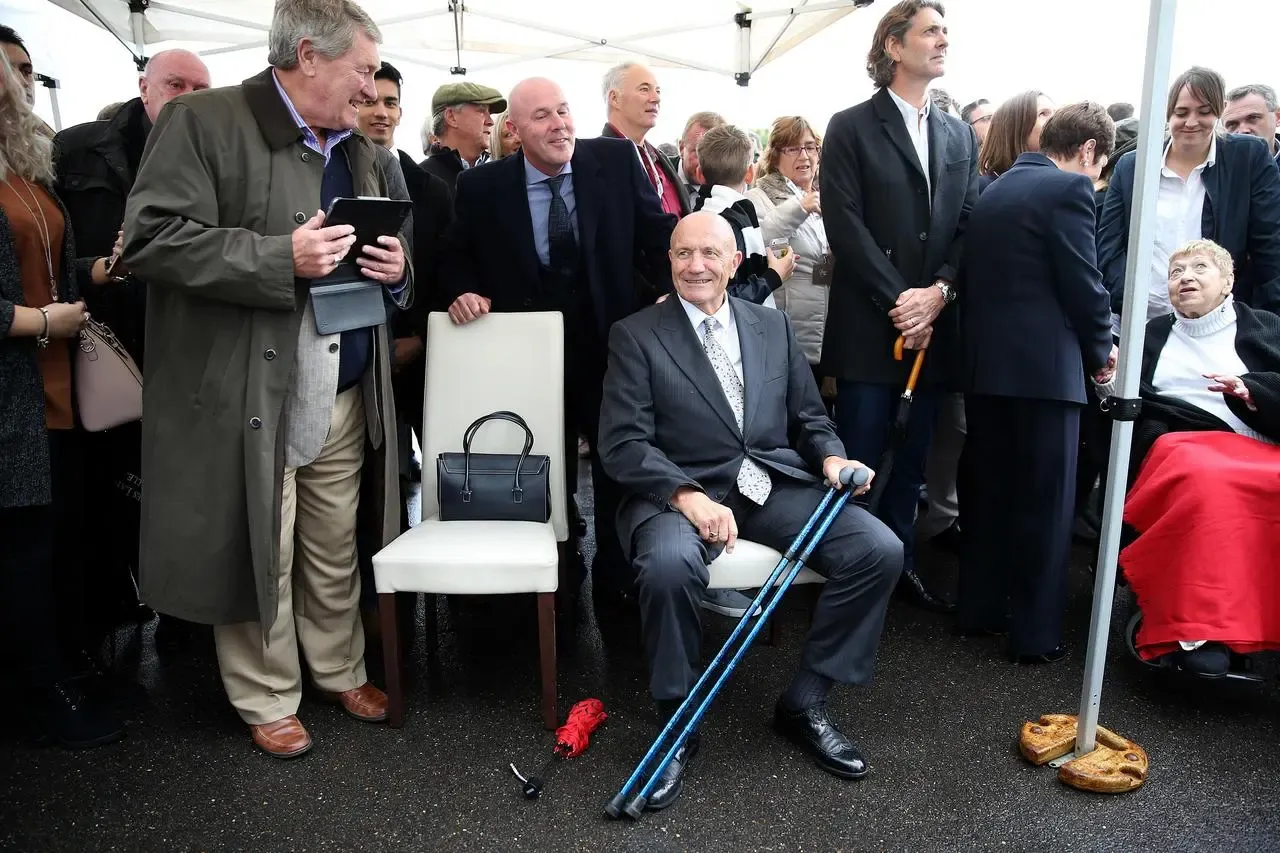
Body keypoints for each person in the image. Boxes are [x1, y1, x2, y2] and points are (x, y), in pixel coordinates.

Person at [121, 0, 411, 758]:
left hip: (344, 381)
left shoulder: (361, 143)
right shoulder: (202, 122)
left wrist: (398, 266)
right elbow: (149, 243)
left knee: (331, 542)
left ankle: (339, 666)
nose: (371, 87)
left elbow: (383, 236)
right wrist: (277, 257)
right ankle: (267, 693)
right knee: (262, 543)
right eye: (363, 69)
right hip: (253, 388)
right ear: (308, 55)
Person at [597, 211, 903, 812]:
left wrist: (832, 459)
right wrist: (687, 497)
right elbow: (622, 443)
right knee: (665, 567)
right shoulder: (636, 334)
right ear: (670, 260)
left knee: (879, 550)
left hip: (770, 484)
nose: (696, 266)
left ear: (736, 262)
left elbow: (810, 418)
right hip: (677, 491)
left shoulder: (772, 325)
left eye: (710, 254)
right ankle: (676, 722)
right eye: (684, 254)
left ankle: (806, 701)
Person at [440, 76, 676, 609]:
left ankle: (620, 576)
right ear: (516, 130)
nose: (559, 124)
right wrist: (461, 291)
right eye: (542, 116)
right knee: (545, 468)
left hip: (609, 349)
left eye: (564, 111)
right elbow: (455, 256)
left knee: (619, 463)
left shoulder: (615, 163)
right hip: (528, 358)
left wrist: (672, 292)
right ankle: (556, 575)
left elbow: (657, 236)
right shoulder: (482, 188)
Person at [819, 0, 978, 610]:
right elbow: (845, 224)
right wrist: (902, 302)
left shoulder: (958, 131)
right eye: (930, 30)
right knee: (858, 458)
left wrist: (938, 293)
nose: (942, 40)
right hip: (870, 327)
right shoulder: (851, 125)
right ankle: (847, 571)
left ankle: (900, 563)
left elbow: (967, 222)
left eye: (945, 32)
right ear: (892, 45)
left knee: (912, 460)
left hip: (934, 326)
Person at [53, 47, 212, 652]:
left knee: (181, 494)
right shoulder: (76, 149)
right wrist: (98, 269)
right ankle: (99, 632)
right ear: (143, 85)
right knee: (105, 496)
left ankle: (182, 619)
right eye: (176, 84)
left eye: (202, 88)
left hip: (186, 347)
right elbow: (41, 259)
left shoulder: (213, 155)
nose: (189, 97)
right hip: (101, 349)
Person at [957, 103, 1118, 663]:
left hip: (986, 369)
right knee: (1047, 507)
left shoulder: (994, 189)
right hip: (1047, 373)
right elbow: (1083, 281)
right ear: (1091, 150)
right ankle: (1033, 634)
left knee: (990, 494)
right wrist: (1102, 351)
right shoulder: (1068, 192)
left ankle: (978, 609)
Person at [0, 45, 125, 748]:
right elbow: (26, 299)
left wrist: (98, 269)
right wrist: (41, 321)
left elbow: (45, 268)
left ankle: (66, 670)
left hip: (59, 386)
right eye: (13, 70)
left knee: (59, 540)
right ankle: (42, 692)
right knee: (22, 550)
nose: (26, 81)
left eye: (27, 70)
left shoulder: (25, 168)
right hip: (15, 390)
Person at [1109, 240, 1280, 676]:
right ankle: (1197, 628)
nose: (1184, 277)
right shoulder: (1150, 335)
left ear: (1228, 282)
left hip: (1260, 441)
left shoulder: (1265, 326)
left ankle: (1259, 624)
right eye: (1175, 272)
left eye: (1200, 268)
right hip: (1183, 441)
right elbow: (1127, 399)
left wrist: (1251, 391)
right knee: (1207, 480)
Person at [1099, 66, 1280, 318]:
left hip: (1221, 321)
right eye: (1181, 112)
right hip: (1142, 320)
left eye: (1204, 112)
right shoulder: (1132, 166)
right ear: (1168, 113)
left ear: (1219, 110)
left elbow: (1269, 243)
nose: (1191, 122)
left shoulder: (1248, 157)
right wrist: (1124, 301)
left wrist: (1265, 319)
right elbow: (1110, 246)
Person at [748, 115, 830, 369]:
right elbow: (761, 238)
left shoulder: (828, 194)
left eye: (810, 147)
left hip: (827, 329)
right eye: (793, 148)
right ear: (774, 156)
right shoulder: (757, 197)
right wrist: (799, 208)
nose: (804, 156)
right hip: (786, 329)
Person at [692, 124, 796, 307]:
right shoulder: (725, 222)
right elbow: (721, 299)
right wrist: (773, 276)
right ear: (750, 173)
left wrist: (766, 264)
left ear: (699, 174)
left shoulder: (702, 214)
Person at [600, 62, 691, 217]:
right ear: (614, 98)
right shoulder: (598, 162)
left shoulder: (658, 160)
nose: (656, 98)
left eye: (658, 91)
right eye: (644, 89)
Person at [420, 81, 506, 196]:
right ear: (451, 117)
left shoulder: (500, 174)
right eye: (481, 111)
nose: (490, 121)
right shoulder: (422, 180)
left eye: (489, 113)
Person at [977, 90, 1055, 189]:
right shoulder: (986, 187)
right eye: (1043, 114)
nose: (1055, 119)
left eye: (1056, 113)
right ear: (1015, 128)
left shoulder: (1064, 177)